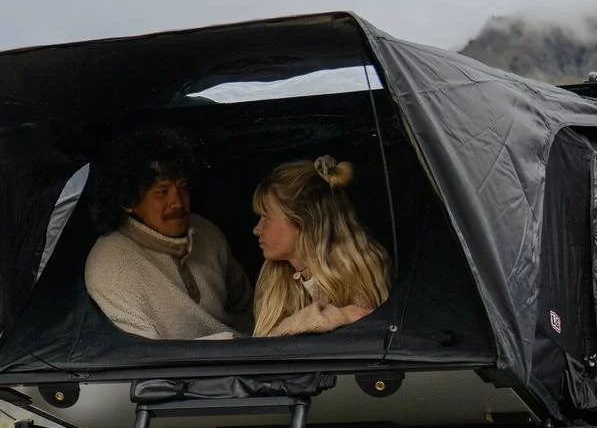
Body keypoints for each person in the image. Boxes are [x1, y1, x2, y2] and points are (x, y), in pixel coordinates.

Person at [84, 129, 252, 340]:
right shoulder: (110, 264)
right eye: (162, 192)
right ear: (129, 201)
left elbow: (248, 309)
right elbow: (142, 358)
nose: (178, 203)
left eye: (183, 188)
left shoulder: (207, 233)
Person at [251, 157, 392, 337]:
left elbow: (363, 330)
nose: (257, 229)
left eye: (266, 218)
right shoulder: (274, 279)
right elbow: (265, 342)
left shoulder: (359, 274)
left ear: (304, 221)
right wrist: (337, 316)